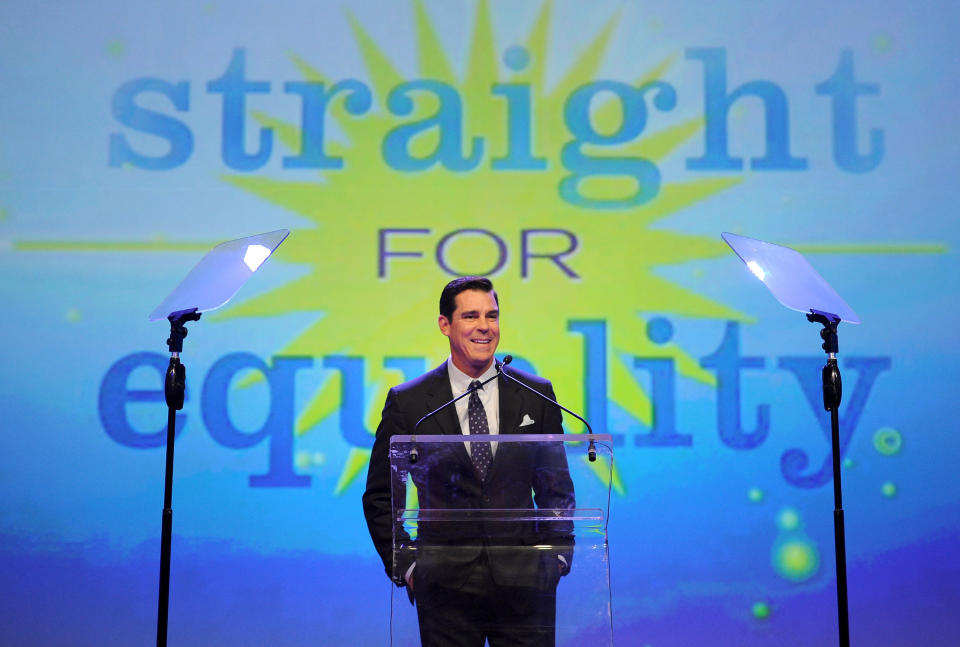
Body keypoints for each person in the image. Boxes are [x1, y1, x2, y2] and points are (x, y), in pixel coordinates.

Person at [362, 276, 575, 647]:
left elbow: (555, 487)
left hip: (525, 582)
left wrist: (557, 557)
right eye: (471, 316)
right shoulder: (409, 402)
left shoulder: (535, 394)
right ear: (445, 324)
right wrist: (408, 565)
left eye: (492, 316)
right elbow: (381, 496)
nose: (484, 327)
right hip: (444, 587)